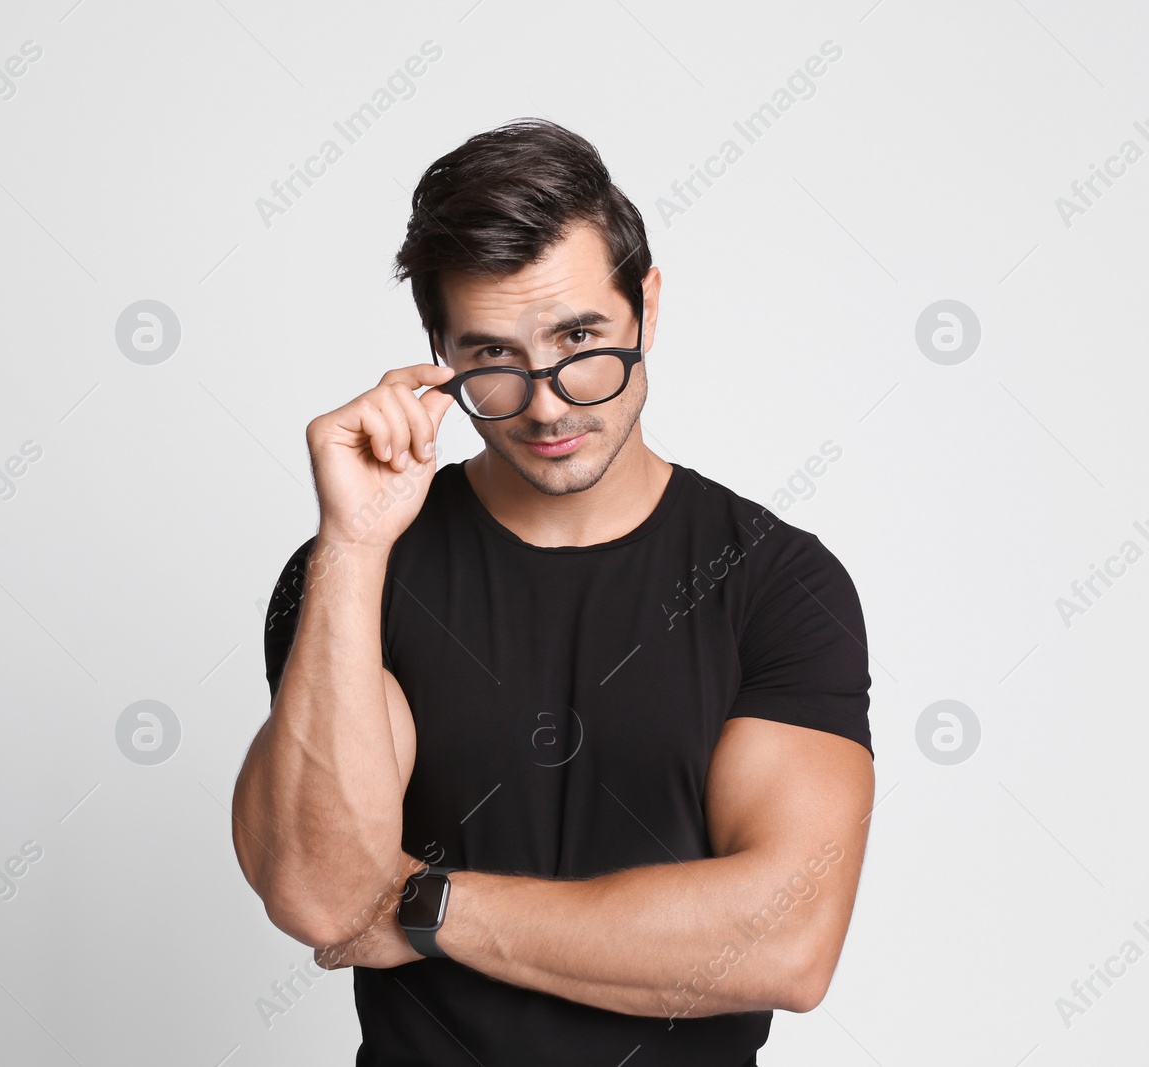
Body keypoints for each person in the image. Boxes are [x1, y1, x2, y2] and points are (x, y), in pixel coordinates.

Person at [231, 118, 874, 1067]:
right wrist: (355, 544)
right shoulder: (355, 575)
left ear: (645, 308)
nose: (544, 402)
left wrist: (422, 901)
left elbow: (786, 941)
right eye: (491, 357)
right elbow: (323, 894)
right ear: (437, 355)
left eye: (581, 337)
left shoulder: (779, 583)